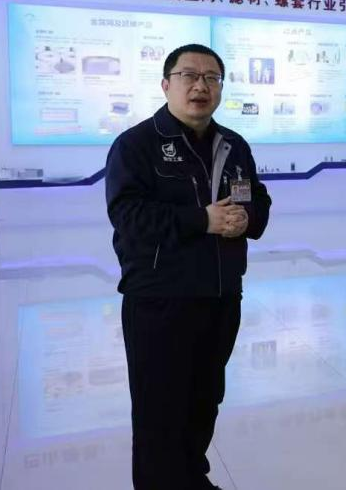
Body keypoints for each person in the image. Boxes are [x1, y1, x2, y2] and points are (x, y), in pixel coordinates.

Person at [105, 43, 271, 489]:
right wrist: (203, 220)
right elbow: (128, 216)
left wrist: (246, 219)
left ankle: (192, 479)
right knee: (159, 411)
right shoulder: (136, 145)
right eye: (189, 76)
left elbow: (257, 201)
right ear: (166, 84)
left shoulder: (233, 145)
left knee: (203, 402)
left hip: (221, 296)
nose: (201, 86)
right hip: (161, 300)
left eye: (211, 78)